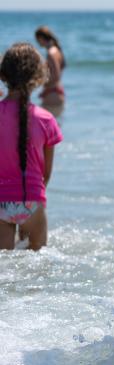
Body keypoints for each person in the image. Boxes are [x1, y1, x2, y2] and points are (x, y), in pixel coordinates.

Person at [0, 43, 63, 251]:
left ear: (4, 75)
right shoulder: (46, 119)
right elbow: (46, 174)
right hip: (32, 202)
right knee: (36, 270)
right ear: (37, 77)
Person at [34, 26, 66, 118]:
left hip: (52, 93)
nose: (38, 42)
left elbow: (56, 75)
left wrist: (42, 84)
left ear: (41, 38)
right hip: (56, 92)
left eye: (37, 40)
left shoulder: (51, 53)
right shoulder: (57, 50)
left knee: (47, 129)